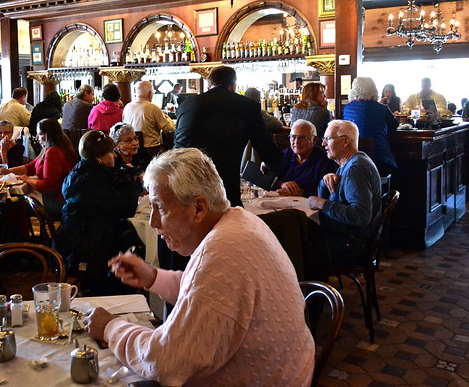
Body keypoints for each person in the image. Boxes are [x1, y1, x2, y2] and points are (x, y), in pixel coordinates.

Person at [83, 148, 314, 386]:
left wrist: (110, 328)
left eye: (160, 207)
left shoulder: (222, 250)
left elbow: (165, 361)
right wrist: (153, 277)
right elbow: (206, 292)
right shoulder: (240, 220)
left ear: (199, 208)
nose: (153, 222)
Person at [175, 65, 281, 207]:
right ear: (233, 85)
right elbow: (264, 145)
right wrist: (276, 167)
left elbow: (177, 146)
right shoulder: (247, 106)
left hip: (184, 180)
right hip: (223, 184)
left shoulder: (186, 105)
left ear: (209, 84)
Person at [59, 130, 144, 296]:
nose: (114, 155)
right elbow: (126, 208)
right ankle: (122, 292)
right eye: (111, 152)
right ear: (99, 157)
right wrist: (131, 183)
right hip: (89, 245)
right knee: (135, 242)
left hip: (75, 235)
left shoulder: (80, 172)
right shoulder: (95, 181)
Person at [308, 120, 382, 266]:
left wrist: (323, 204)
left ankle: (306, 287)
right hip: (345, 237)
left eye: (328, 139)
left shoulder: (355, 169)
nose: (323, 144)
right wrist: (324, 181)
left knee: (297, 242)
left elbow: (361, 216)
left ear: (346, 141)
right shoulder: (350, 163)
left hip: (351, 245)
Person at [0, 118, 78, 221]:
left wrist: (26, 179)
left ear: (48, 135)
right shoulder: (56, 148)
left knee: (14, 204)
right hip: (64, 198)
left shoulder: (53, 152)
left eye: (39, 134)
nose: (37, 137)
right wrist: (9, 171)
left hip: (58, 201)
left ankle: (18, 235)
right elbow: (31, 166)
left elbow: (48, 186)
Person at [343, 77, 399, 177]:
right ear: (373, 90)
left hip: (352, 161)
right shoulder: (382, 108)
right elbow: (394, 125)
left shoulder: (346, 109)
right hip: (381, 160)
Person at [270, 119, 338, 197]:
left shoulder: (325, 161)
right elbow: (268, 180)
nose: (296, 142)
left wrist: (303, 193)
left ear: (314, 140)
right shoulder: (287, 154)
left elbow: (328, 192)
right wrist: (282, 184)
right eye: (293, 137)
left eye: (302, 138)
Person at [123, 80, 175, 156]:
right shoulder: (153, 108)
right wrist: (167, 119)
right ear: (150, 93)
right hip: (151, 151)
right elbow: (169, 128)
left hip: (132, 150)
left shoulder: (127, 107)